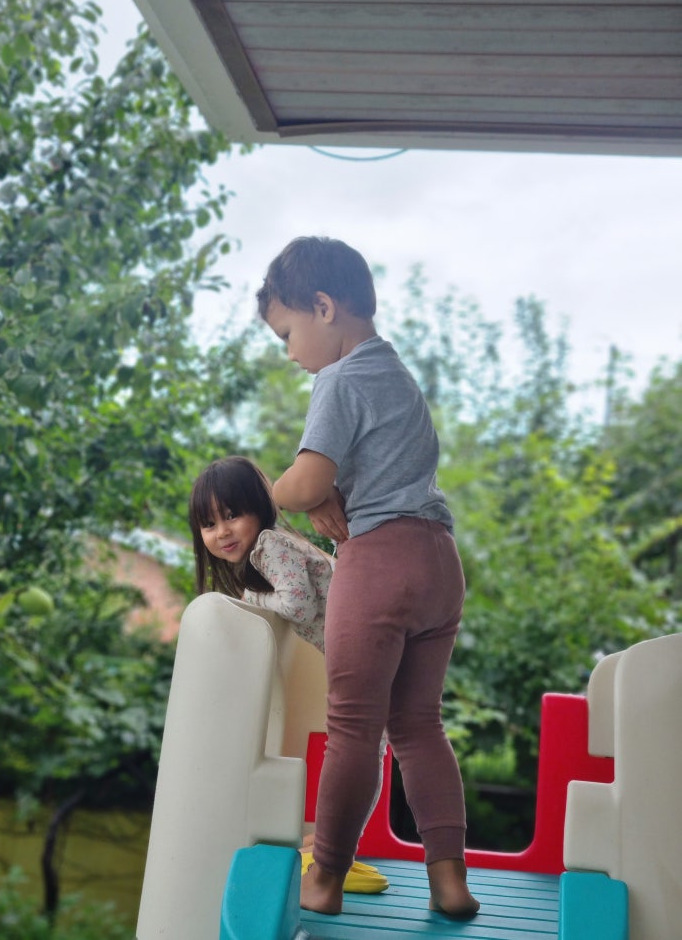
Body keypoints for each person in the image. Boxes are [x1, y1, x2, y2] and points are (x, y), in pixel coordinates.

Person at [256, 236, 480, 918]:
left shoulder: (337, 378)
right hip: (438, 561)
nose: (289, 353)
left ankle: (324, 877)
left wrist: (271, 489)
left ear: (324, 307)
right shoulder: (397, 376)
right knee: (418, 724)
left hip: (377, 559)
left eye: (288, 332)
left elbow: (307, 479)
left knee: (353, 726)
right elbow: (359, 470)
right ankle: (448, 880)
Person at [188, 454, 388, 894]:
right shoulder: (266, 555)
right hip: (368, 646)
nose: (221, 532)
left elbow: (298, 605)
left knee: (366, 747)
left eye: (232, 515)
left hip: (367, 647)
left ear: (260, 508)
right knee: (373, 746)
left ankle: (338, 849)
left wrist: (252, 602)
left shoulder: (271, 546)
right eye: (208, 523)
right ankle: (339, 845)